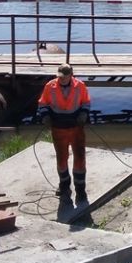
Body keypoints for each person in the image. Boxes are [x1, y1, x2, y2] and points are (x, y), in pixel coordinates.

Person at [37, 63, 91, 201]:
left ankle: (80, 191)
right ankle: (64, 187)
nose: (61, 79)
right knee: (61, 159)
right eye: (59, 77)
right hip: (58, 127)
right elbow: (43, 103)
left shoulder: (80, 86)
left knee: (80, 159)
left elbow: (86, 102)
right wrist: (45, 116)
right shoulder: (50, 86)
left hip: (76, 127)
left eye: (64, 77)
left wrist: (84, 114)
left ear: (70, 75)